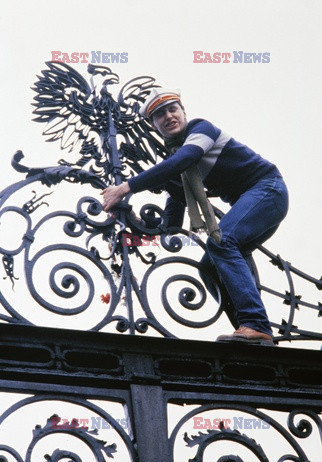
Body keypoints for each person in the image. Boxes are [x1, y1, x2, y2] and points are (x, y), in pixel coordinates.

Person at [101, 88, 289, 345]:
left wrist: (125, 188)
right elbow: (170, 227)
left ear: (183, 112)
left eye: (172, 109)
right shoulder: (176, 166)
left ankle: (255, 323)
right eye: (159, 115)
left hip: (269, 190)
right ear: (154, 125)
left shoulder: (200, 129)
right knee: (208, 266)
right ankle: (252, 333)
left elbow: (186, 158)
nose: (168, 116)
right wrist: (133, 220)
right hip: (257, 203)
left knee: (222, 242)